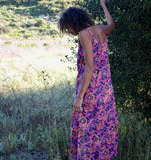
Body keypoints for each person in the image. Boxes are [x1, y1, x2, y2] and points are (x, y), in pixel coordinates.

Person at [58, 0, 118, 159]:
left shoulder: (84, 34)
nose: (69, 31)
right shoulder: (99, 29)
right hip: (105, 90)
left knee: (88, 131)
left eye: (67, 27)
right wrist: (103, 5)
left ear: (73, 23)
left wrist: (79, 98)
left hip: (91, 91)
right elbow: (111, 24)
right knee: (102, 128)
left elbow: (89, 67)